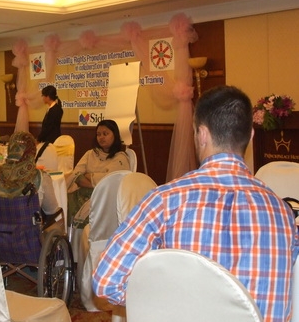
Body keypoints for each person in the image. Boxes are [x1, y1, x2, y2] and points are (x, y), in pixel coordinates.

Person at [93, 86, 299, 322]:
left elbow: (107, 281)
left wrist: (166, 302)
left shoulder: (164, 200)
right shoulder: (283, 213)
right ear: (251, 136)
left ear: (201, 134)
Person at [0, 131, 61, 218]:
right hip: (28, 230)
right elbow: (51, 210)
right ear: (32, 151)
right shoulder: (41, 177)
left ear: (10, 149)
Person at [66, 119, 130, 222]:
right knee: (65, 204)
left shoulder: (121, 159)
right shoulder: (90, 154)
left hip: (105, 199)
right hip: (80, 195)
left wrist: (89, 175)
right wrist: (97, 181)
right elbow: (77, 175)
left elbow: (111, 181)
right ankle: (74, 237)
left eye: (105, 134)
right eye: (98, 134)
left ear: (115, 135)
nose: (101, 137)